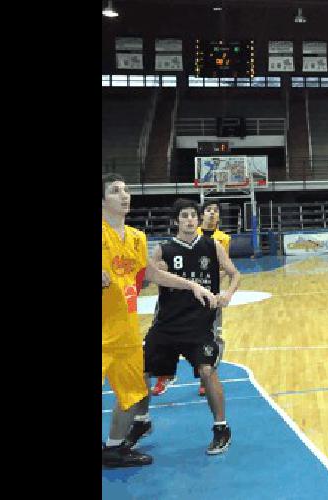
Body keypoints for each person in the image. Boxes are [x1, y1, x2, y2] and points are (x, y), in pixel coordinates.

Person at [102, 174, 217, 468]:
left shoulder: (138, 238)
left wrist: (192, 285)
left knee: (132, 394)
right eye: (116, 191)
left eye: (126, 190)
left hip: (125, 332)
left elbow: (150, 275)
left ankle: (114, 449)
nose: (125, 195)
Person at [127, 199, 241, 455]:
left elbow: (235, 273)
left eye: (193, 216)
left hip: (200, 324)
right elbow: (146, 279)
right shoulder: (164, 249)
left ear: (198, 221)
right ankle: (142, 421)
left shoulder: (212, 246)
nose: (190, 220)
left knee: (207, 370)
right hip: (166, 324)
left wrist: (228, 294)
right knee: (142, 372)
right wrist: (148, 273)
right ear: (176, 221)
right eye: (185, 216)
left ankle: (221, 428)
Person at [151, 200, 233, 397]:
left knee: (210, 339)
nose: (211, 214)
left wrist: (223, 289)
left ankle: (206, 375)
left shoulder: (221, 240)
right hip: (174, 302)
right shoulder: (167, 248)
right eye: (208, 210)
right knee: (163, 339)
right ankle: (164, 375)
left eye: (215, 211)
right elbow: (151, 274)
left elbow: (226, 268)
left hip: (205, 301)